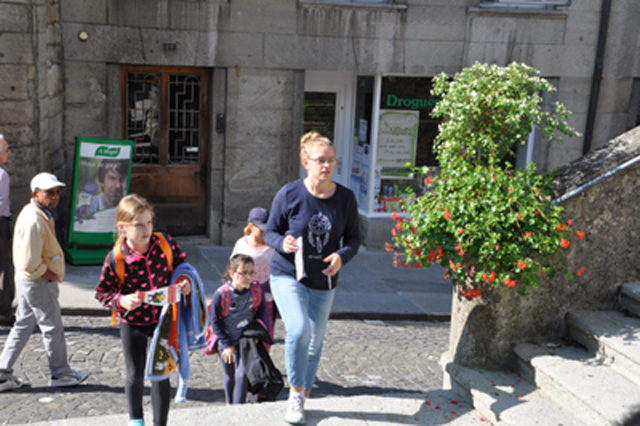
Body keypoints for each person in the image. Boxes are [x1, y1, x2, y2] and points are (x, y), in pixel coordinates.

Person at [264, 131, 360, 425]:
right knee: (298, 330)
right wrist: (283, 243)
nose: (327, 165)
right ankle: (295, 394)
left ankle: (304, 393)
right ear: (306, 162)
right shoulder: (290, 194)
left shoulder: (345, 198)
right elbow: (270, 232)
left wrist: (342, 256)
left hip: (324, 281)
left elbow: (354, 238)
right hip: (288, 274)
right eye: (321, 160)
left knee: (315, 342)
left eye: (331, 160)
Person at [95, 193, 191, 426]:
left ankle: (160, 423)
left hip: (162, 320)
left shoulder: (165, 244)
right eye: (138, 225)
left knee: (161, 374)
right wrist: (122, 301)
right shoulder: (116, 258)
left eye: (149, 222)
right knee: (135, 374)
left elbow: (182, 265)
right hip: (133, 323)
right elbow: (102, 293)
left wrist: (185, 281)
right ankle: (136, 420)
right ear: (122, 227)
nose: (146, 229)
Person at [0, 172, 89, 392]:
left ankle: (2, 373)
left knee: (23, 325)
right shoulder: (34, 219)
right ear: (35, 194)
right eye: (49, 192)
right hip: (36, 281)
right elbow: (30, 263)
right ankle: (60, 373)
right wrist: (49, 274)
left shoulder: (38, 213)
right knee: (52, 326)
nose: (55, 196)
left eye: (57, 192)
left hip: (30, 281)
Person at [210, 254, 266, 405]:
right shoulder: (221, 294)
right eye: (244, 273)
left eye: (251, 272)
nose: (249, 277)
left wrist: (257, 334)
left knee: (242, 375)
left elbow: (261, 315)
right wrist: (227, 345)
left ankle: (238, 410)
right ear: (232, 273)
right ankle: (229, 404)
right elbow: (215, 322)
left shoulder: (256, 290)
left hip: (245, 342)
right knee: (230, 376)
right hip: (227, 341)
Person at [231, 207, 277, 340]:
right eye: (261, 229)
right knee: (244, 329)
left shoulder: (273, 245)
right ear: (251, 226)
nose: (265, 232)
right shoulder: (242, 244)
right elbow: (233, 267)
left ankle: (263, 350)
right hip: (246, 294)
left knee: (266, 329)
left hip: (267, 294)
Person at [0, 134, 15, 325]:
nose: (9, 153)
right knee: (4, 267)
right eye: (6, 150)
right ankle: (3, 312)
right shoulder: (2, 175)